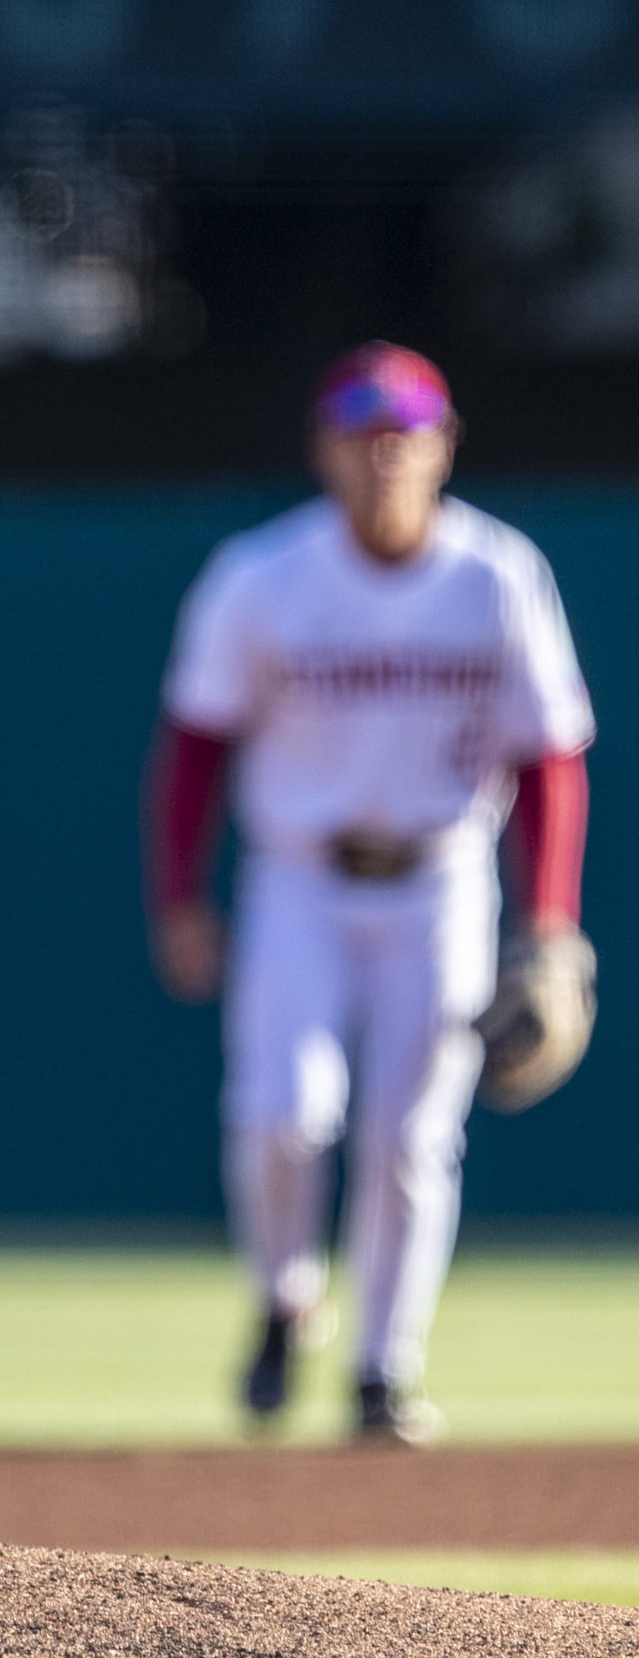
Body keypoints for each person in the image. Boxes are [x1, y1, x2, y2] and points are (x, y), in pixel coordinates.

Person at [146, 343, 593, 1443]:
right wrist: (178, 895)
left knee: (409, 1133)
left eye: (404, 436)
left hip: (440, 879)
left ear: (441, 447)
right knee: (278, 1116)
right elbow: (195, 744)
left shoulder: (495, 573)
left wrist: (546, 918)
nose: (384, 457)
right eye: (362, 438)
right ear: (324, 453)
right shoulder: (263, 575)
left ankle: (384, 1368)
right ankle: (285, 1294)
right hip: (299, 877)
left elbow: (550, 757)